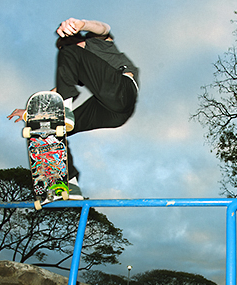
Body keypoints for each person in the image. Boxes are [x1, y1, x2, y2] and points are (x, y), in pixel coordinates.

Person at [8, 18, 139, 199]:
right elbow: (58, 90)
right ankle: (67, 184)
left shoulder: (97, 43)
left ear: (77, 42)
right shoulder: (83, 66)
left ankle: (65, 108)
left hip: (123, 89)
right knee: (52, 130)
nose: (65, 59)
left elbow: (104, 28)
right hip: (112, 113)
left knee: (69, 55)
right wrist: (31, 111)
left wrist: (82, 24)